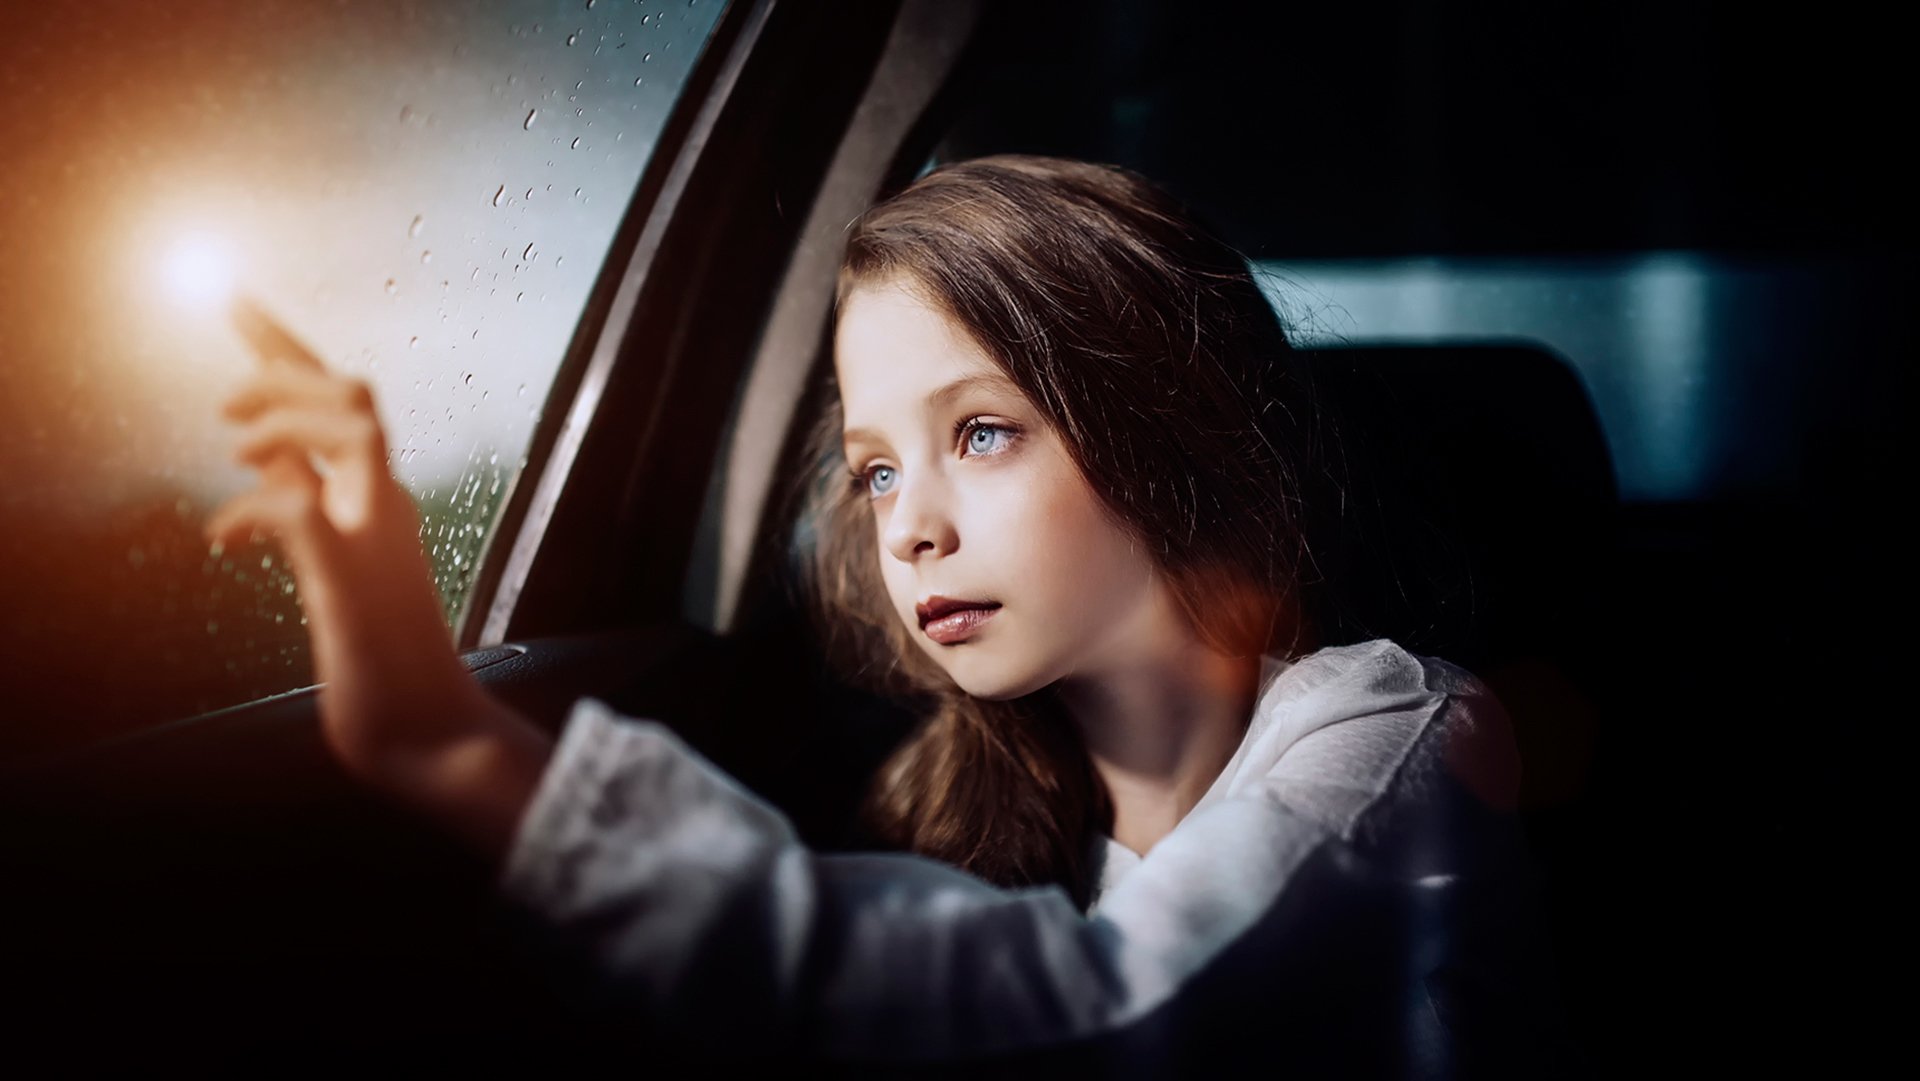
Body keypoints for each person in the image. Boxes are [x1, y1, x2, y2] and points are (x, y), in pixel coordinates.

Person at [204, 155, 1577, 1076]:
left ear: (1171, 439)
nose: (908, 523)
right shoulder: (967, 824)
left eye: (982, 431)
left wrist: (467, 750)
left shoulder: (1404, 731)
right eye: (875, 468)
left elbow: (1107, 1011)